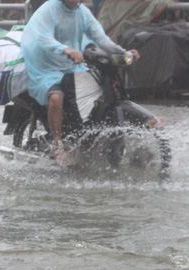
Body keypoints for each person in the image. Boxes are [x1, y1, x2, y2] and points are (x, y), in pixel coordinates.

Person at [20, 0, 140, 165]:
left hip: (72, 66)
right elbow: (42, 37)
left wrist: (124, 53)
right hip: (46, 69)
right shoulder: (49, 9)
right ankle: (58, 145)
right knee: (56, 98)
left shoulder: (82, 11)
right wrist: (65, 49)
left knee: (97, 92)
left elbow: (101, 38)